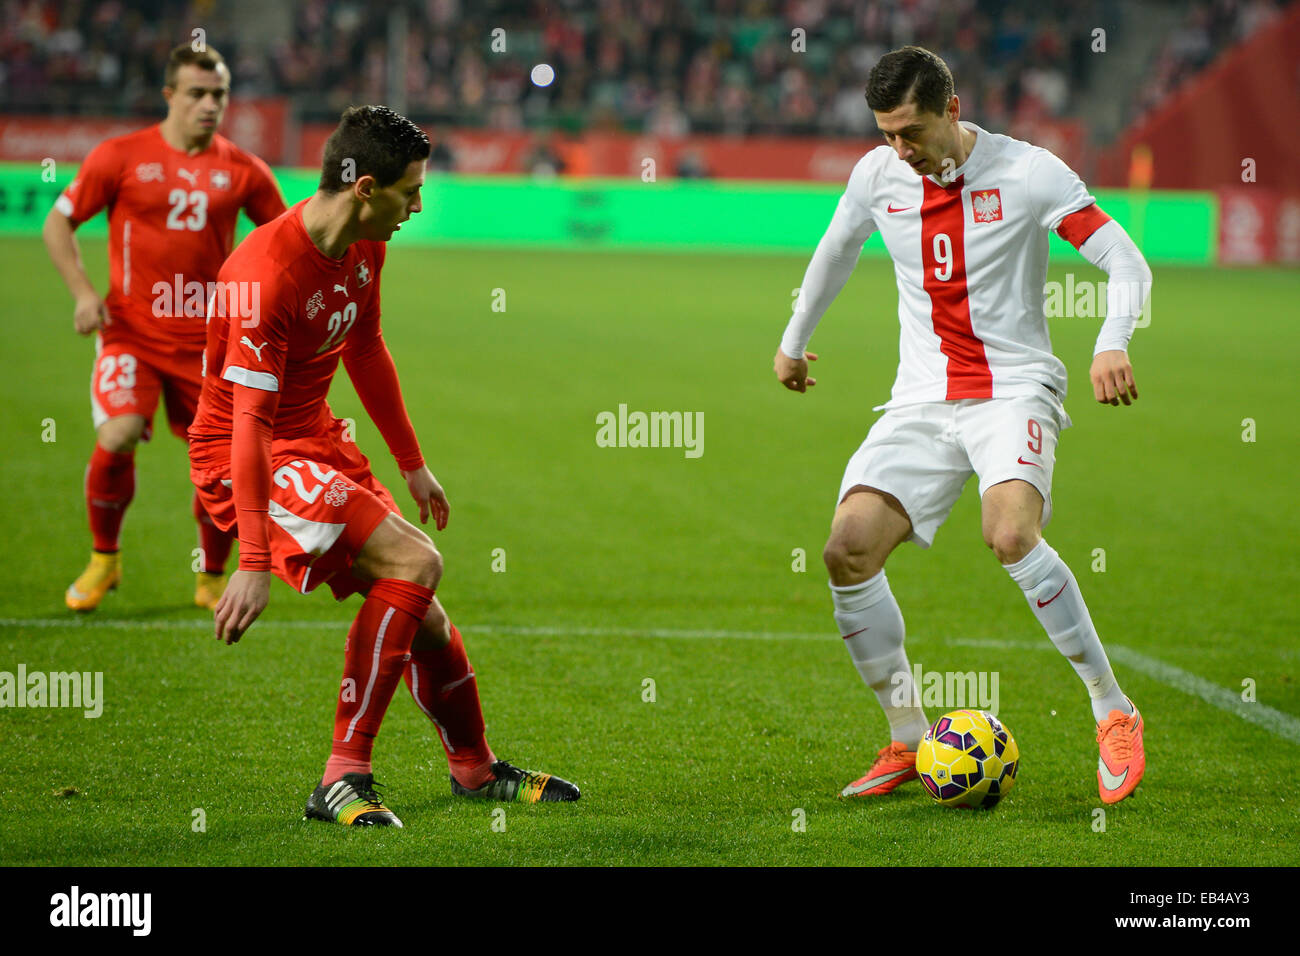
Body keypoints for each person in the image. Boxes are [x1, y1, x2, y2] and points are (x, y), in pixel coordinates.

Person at [773, 46, 1151, 806]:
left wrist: (1113, 340)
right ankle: (908, 738)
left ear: (952, 109)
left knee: (1010, 533)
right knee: (846, 551)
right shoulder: (879, 175)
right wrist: (792, 340)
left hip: (1013, 390)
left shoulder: (1031, 172)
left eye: (910, 131)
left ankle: (1113, 709)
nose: (899, 150)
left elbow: (1126, 263)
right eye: (886, 134)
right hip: (920, 399)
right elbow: (836, 251)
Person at [189, 105, 579, 827]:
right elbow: (247, 424)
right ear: (365, 187)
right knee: (415, 563)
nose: (419, 206)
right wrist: (249, 556)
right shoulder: (263, 276)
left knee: (424, 614)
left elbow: (363, 348)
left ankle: (475, 769)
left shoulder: (365, 247)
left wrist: (412, 463)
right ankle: (343, 776)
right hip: (249, 453)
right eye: (410, 191)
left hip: (316, 439)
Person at [45, 43, 286, 612]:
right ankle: (105, 558)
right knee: (119, 432)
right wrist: (83, 293)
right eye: (197, 93)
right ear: (170, 95)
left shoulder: (245, 171)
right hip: (131, 331)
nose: (209, 105)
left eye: (219, 95)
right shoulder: (120, 156)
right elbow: (60, 224)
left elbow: (284, 245)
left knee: (221, 465)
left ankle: (211, 574)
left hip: (211, 343)